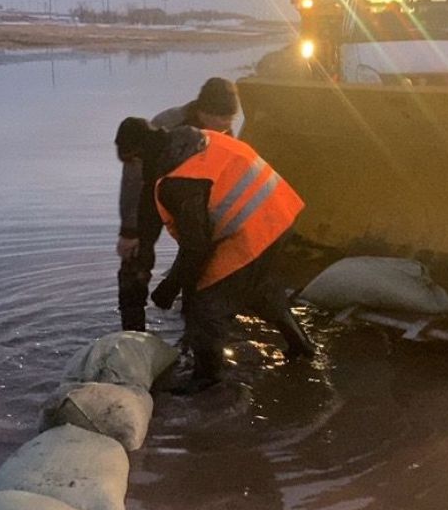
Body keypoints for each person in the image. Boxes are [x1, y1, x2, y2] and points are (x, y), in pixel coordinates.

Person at [113, 118, 315, 392]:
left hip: (251, 229)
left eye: (130, 162)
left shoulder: (180, 181)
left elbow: (196, 247)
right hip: (278, 213)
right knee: (253, 287)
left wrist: (171, 287)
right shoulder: (190, 143)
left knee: (204, 300)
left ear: (140, 153)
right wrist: (139, 249)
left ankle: (208, 379)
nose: (131, 172)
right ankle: (301, 347)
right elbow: (150, 211)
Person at [116, 78, 240, 330]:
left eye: (231, 118)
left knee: (198, 261)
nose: (227, 125)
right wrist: (130, 231)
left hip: (192, 206)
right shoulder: (166, 125)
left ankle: (192, 322)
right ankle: (132, 328)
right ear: (204, 111)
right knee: (136, 262)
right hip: (151, 198)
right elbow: (133, 180)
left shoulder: (224, 132)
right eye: (222, 118)